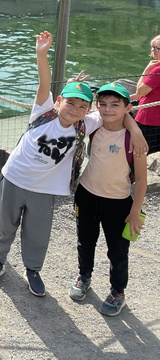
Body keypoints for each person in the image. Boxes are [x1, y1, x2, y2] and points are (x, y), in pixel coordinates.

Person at [0, 32, 147, 297]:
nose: (74, 109)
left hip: (45, 189)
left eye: (82, 106)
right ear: (59, 101)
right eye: (70, 102)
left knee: (37, 233)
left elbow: (116, 113)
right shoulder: (42, 112)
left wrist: (136, 130)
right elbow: (44, 82)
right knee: (3, 225)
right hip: (13, 178)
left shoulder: (86, 123)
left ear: (88, 110)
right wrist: (41, 54)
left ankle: (33, 269)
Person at [69, 82, 148, 316]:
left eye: (115, 105)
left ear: (127, 108)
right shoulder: (94, 126)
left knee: (118, 250)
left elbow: (141, 180)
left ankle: (118, 291)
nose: (107, 109)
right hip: (87, 194)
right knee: (85, 241)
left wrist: (135, 211)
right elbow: (68, 113)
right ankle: (84, 276)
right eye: (102, 104)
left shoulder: (134, 139)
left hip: (119, 201)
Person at [135, 34, 160, 154]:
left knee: (139, 152)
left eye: (157, 48)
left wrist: (146, 70)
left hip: (149, 119)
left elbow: (140, 91)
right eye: (152, 47)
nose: (153, 50)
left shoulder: (157, 70)